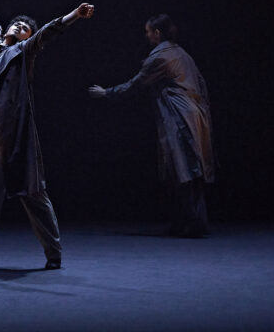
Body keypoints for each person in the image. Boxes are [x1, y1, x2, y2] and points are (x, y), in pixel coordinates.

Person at [0, 2, 95, 270]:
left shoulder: (24, 51)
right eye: (17, 24)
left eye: (25, 28)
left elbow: (47, 32)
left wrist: (74, 15)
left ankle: (53, 252)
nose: (20, 27)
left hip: (13, 137)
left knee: (33, 193)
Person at [88, 14, 215, 237]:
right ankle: (189, 222)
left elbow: (136, 84)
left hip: (180, 116)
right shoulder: (181, 53)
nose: (146, 35)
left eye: (148, 31)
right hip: (193, 114)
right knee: (189, 169)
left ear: (157, 33)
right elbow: (201, 84)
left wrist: (106, 93)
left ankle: (192, 223)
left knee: (183, 169)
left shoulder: (160, 57)